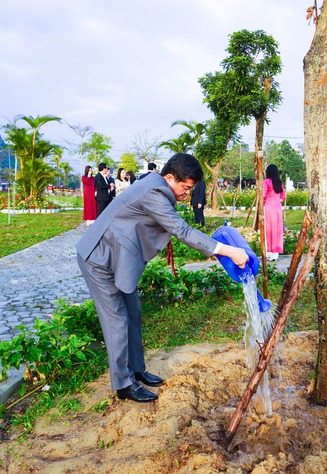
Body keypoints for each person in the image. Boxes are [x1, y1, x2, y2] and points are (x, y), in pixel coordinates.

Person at [76, 153, 249, 403]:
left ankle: (136, 369)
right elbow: (181, 230)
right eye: (185, 188)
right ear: (169, 177)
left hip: (118, 256)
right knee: (116, 320)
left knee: (132, 313)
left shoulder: (157, 186)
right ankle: (124, 385)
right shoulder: (154, 192)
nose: (187, 194)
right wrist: (228, 251)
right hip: (100, 259)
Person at [263, 164, 286, 261]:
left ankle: (268, 253)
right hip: (277, 208)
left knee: (268, 230)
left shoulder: (266, 182)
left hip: (268, 207)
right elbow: (283, 196)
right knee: (277, 230)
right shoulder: (279, 183)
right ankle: (275, 255)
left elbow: (263, 196)